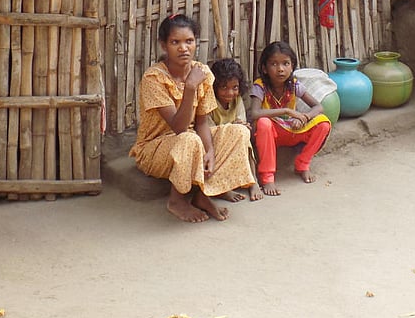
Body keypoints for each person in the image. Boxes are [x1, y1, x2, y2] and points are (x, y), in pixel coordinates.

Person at [130, 15, 257, 223]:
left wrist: (210, 151)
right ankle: (177, 201)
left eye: (189, 41)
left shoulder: (202, 72)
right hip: (155, 148)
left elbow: (201, 122)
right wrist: (189, 88)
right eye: (175, 42)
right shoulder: (154, 78)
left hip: (191, 139)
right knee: (189, 139)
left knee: (239, 132)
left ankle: (203, 194)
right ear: (163, 45)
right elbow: (179, 127)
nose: (183, 48)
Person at [247, 41, 331, 194]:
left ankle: (302, 164)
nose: (280, 69)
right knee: (263, 122)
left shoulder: (294, 84)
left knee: (323, 123)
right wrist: (287, 111)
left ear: (292, 67)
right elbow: (255, 113)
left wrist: (304, 117)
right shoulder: (260, 86)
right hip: (271, 134)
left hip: (293, 129)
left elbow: (318, 107)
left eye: (285, 63)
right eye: (274, 64)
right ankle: (267, 177)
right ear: (264, 68)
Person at [209, 57, 264, 202]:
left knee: (245, 138)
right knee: (238, 133)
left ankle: (253, 181)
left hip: (236, 138)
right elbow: (208, 131)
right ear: (214, 86)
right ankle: (223, 188)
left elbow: (242, 122)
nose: (230, 93)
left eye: (234, 87)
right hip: (215, 143)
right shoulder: (209, 102)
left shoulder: (237, 100)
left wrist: (239, 126)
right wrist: (232, 127)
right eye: (224, 87)